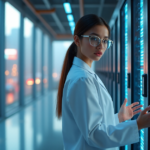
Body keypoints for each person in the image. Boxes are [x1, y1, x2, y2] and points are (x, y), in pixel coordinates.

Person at [56, 14, 150, 150]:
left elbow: (94, 124)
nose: (101, 46)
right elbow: (94, 135)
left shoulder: (84, 75)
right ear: (77, 40)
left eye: (105, 40)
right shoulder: (82, 79)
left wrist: (119, 117)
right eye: (94, 39)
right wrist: (137, 125)